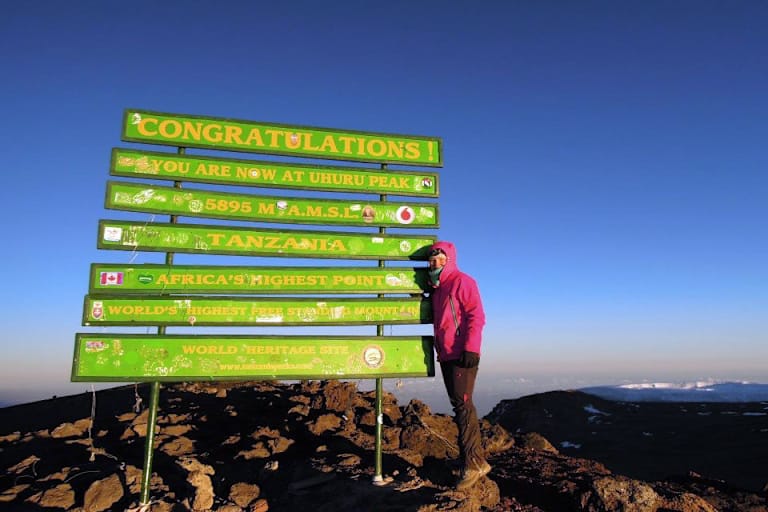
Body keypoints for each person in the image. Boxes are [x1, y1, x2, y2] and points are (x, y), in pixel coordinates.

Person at [426, 240, 490, 490]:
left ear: (449, 259)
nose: (435, 263)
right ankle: (473, 459)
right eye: (432, 259)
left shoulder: (462, 281)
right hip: (447, 354)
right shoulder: (438, 288)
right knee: (458, 404)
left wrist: (472, 347)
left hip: (463, 354)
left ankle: (473, 464)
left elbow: (477, 315)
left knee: (463, 405)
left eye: (440, 259)